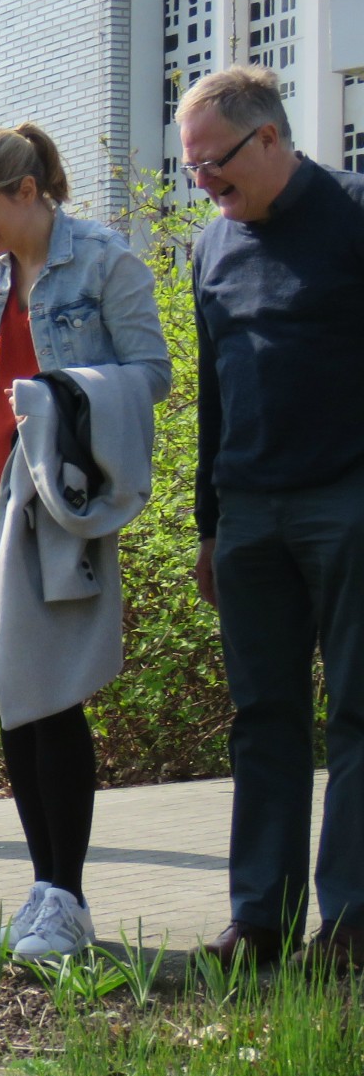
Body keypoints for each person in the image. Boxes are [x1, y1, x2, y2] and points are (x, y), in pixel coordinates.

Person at [0, 125, 170, 963]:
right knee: (14, 701)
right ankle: (45, 891)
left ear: (27, 192)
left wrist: (58, 392)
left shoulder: (103, 260)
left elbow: (151, 371)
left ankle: (69, 895)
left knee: (53, 696)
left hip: (54, 498)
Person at [178, 67, 364, 971]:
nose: (206, 189)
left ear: (270, 140)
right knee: (264, 717)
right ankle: (261, 921)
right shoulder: (212, 250)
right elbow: (215, 397)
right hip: (249, 514)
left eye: (214, 168)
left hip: (348, 503)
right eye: (194, 176)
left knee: (358, 712)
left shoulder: (354, 215)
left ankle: (355, 924)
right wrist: (210, 524)